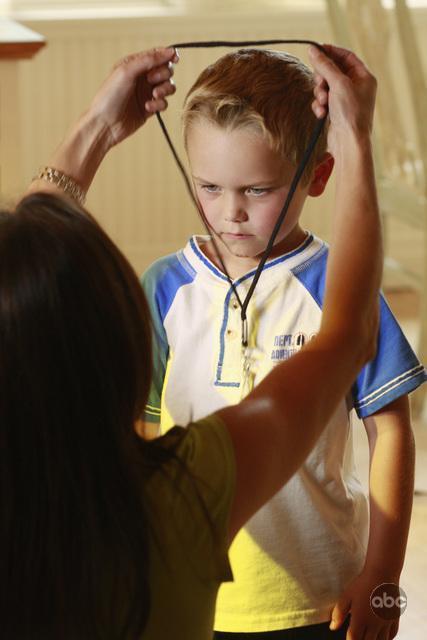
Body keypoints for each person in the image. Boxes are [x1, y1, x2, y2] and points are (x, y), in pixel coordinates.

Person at [0, 44, 379, 639]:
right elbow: (347, 336)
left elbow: (21, 273)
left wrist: (96, 126)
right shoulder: (181, 498)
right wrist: (355, 136)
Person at [140, 47, 426, 639]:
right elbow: (140, 431)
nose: (230, 213)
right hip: (187, 597)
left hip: (319, 600)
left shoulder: (341, 287)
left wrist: (383, 575)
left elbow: (391, 428)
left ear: (318, 176)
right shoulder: (165, 287)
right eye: (210, 187)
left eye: (257, 189)